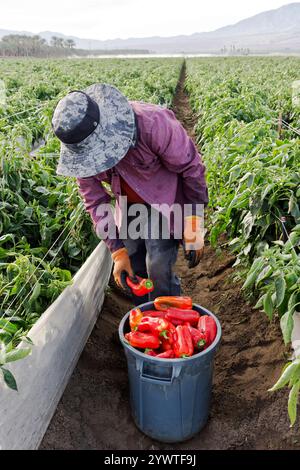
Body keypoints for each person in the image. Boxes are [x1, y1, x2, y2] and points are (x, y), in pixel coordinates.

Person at [51, 83, 208, 305]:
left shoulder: (153, 124)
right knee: (133, 263)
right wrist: (117, 251)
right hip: (127, 204)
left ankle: (170, 313)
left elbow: (191, 168)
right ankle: (146, 318)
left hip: (163, 200)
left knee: (158, 263)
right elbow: (95, 201)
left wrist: (193, 222)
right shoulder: (83, 154)